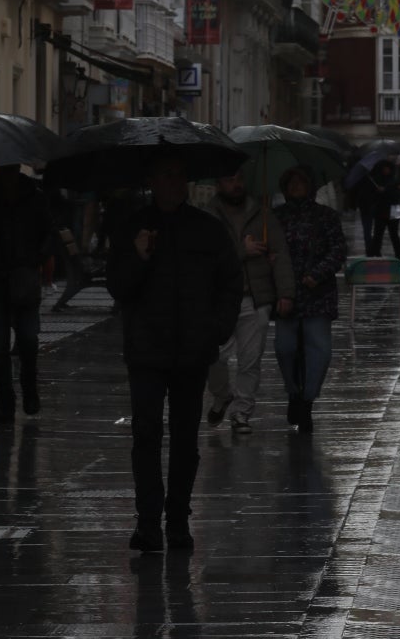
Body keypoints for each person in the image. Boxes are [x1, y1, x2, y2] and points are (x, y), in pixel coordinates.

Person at [106, 154, 241, 552]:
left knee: (185, 439)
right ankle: (148, 522)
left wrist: (217, 329)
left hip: (192, 350)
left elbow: (231, 281)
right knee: (145, 435)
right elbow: (117, 286)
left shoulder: (207, 229)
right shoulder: (132, 227)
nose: (175, 182)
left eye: (181, 174)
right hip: (146, 350)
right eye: (167, 174)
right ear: (152, 180)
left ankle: (178, 519)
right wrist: (138, 257)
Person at [204, 168, 295, 435]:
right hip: (220, 299)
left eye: (239, 178)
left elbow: (281, 253)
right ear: (218, 184)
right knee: (214, 356)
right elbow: (207, 258)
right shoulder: (209, 216)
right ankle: (222, 395)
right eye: (230, 178)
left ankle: (242, 413)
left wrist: (286, 293)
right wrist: (241, 252)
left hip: (255, 298)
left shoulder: (263, 215)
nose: (236, 184)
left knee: (250, 360)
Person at [0, 166, 55, 424]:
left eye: (11, 167)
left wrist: (36, 258)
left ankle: (30, 390)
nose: (7, 172)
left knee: (28, 339)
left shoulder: (35, 198)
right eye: (2, 167)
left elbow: (49, 233)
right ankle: (5, 402)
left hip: (25, 281)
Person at [274, 166, 347, 434]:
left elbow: (338, 250)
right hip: (287, 296)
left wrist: (317, 274)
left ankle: (307, 401)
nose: (295, 187)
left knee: (320, 351)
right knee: (285, 348)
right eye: (290, 183)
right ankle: (293, 391)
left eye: (300, 182)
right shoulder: (276, 217)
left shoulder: (325, 217)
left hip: (318, 296)